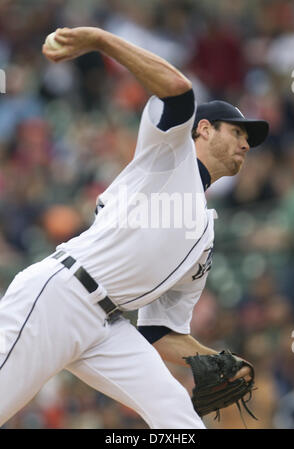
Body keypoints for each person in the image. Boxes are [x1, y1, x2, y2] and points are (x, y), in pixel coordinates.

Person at [0, 27, 269, 429]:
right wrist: (100, 41)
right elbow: (179, 91)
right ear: (205, 129)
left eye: (249, 138)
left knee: (178, 416)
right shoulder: (169, 153)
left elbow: (160, 331)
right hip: (60, 295)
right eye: (237, 131)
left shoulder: (205, 236)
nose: (246, 144)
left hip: (106, 327)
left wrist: (212, 358)